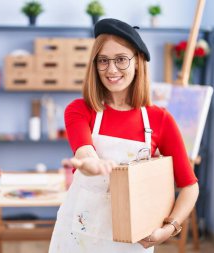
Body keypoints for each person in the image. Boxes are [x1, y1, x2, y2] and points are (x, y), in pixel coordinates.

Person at [49, 18, 199, 253]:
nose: (111, 69)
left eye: (121, 59)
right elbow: (85, 151)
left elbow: (190, 187)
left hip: (133, 242)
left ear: (138, 62)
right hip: (78, 236)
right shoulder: (81, 110)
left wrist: (169, 229)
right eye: (103, 61)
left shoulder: (160, 120)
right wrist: (91, 165)